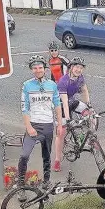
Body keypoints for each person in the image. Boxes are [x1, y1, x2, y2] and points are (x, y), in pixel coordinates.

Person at [19, 55, 63, 201]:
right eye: (35, 68)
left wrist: (59, 124)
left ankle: (46, 181)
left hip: (48, 125)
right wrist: (29, 126)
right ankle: (20, 186)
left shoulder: (52, 85)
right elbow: (25, 108)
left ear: (44, 69)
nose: (38, 70)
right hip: (34, 125)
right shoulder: (27, 85)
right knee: (24, 155)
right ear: (32, 70)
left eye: (40, 68)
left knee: (46, 155)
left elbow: (57, 105)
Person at [53, 57, 91, 172]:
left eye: (80, 68)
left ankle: (87, 139)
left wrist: (89, 105)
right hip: (62, 107)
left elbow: (84, 90)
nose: (78, 70)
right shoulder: (63, 81)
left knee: (91, 115)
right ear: (71, 67)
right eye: (76, 67)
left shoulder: (80, 78)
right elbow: (64, 102)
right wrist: (68, 119)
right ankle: (57, 160)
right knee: (61, 134)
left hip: (72, 101)